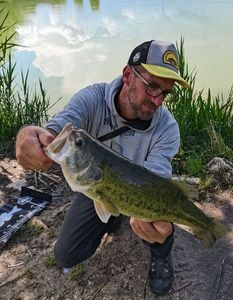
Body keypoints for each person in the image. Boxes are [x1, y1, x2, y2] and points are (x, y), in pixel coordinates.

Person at [16, 40, 189, 296]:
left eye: (165, 92)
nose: (157, 100)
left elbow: (157, 181)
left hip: (138, 191)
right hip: (97, 186)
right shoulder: (92, 99)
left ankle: (162, 255)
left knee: (159, 226)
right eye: (152, 86)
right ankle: (111, 219)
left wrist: (159, 218)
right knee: (65, 255)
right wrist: (27, 135)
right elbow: (56, 130)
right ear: (128, 74)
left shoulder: (167, 128)